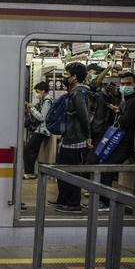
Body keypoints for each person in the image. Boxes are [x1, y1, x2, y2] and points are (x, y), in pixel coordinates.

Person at [52, 63, 92, 214]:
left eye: (67, 74)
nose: (65, 77)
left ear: (74, 77)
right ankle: (64, 199)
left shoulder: (78, 93)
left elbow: (84, 117)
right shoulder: (75, 91)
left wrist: (88, 136)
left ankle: (74, 203)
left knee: (72, 172)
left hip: (74, 139)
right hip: (69, 137)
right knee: (63, 171)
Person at [99, 72, 135, 210]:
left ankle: (105, 202)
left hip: (125, 142)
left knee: (107, 168)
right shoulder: (127, 101)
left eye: (128, 84)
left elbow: (125, 121)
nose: (124, 87)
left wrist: (118, 113)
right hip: (122, 140)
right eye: (122, 84)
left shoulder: (133, 102)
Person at [23, 82, 53, 180]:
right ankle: (30, 171)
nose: (37, 94)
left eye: (37, 92)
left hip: (42, 131)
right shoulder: (44, 101)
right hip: (40, 130)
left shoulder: (47, 101)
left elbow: (42, 117)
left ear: (43, 91)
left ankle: (30, 172)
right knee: (32, 151)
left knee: (28, 150)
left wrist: (32, 108)